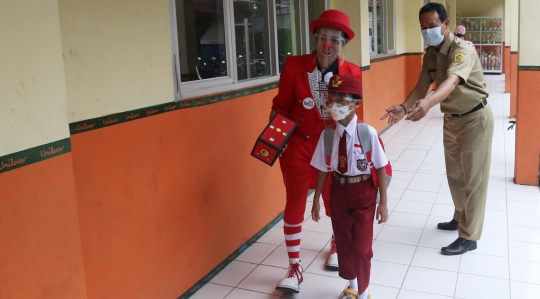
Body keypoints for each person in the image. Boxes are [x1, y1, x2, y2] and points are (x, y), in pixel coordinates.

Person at [381, 3, 494, 256]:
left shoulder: (461, 50)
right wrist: (403, 106)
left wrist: (429, 104)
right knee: (455, 174)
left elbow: (451, 82)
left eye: (432, 26)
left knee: (474, 179)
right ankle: (459, 217)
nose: (427, 32)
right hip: (452, 119)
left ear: (446, 24)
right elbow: (421, 87)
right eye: (423, 28)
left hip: (475, 119)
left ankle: (469, 236)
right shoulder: (430, 54)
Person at [271, 9, 362, 293]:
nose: (328, 45)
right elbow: (280, 107)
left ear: (343, 44)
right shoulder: (294, 66)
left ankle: (336, 242)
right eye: (323, 37)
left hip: (334, 145)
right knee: (295, 202)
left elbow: (357, 116)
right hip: (299, 144)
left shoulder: (352, 72)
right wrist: (275, 139)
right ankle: (294, 266)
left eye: (335, 40)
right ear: (315, 38)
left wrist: (358, 153)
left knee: (335, 199)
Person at [311, 74, 388, 299]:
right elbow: (322, 168)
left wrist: (383, 202)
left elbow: (381, 166)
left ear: (356, 104)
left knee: (362, 247)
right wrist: (316, 200)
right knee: (344, 241)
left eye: (341, 99)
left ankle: (363, 293)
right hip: (339, 191)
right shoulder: (327, 135)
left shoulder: (367, 132)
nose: (334, 104)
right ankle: (353, 285)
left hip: (363, 190)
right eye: (331, 98)